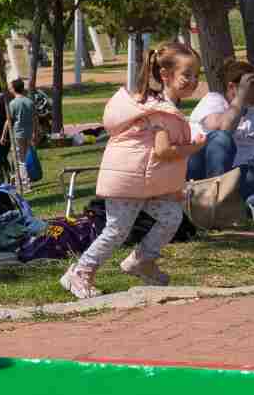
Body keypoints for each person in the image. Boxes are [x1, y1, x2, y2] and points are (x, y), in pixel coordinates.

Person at [62, 41, 202, 298]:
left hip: (144, 183)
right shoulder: (160, 112)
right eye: (187, 75)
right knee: (117, 229)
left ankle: (142, 260)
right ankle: (80, 272)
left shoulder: (161, 106)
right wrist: (193, 147)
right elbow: (162, 151)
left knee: (171, 216)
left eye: (196, 75)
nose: (193, 81)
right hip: (129, 182)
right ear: (165, 75)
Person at [189, 57, 254, 212]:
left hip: (238, 176)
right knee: (221, 138)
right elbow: (223, 128)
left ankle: (249, 207)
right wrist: (240, 96)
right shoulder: (213, 100)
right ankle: (214, 203)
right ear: (232, 87)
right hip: (204, 177)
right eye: (252, 85)